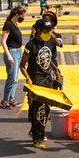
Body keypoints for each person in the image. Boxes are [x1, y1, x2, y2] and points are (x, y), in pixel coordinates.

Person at [20, 18, 59, 149]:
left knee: (46, 109)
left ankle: (36, 130)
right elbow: (22, 66)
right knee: (38, 109)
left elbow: (49, 58)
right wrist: (28, 78)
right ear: (38, 30)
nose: (48, 32)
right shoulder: (30, 45)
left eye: (50, 30)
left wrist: (55, 68)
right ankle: (38, 138)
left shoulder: (49, 42)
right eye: (46, 30)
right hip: (36, 81)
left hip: (48, 79)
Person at [0, 6, 26, 109]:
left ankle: (11, 98)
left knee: (15, 78)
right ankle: (5, 100)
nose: (23, 17)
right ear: (16, 14)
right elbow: (3, 41)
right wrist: (9, 55)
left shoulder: (14, 24)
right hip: (12, 52)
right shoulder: (8, 25)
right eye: (22, 15)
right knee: (11, 78)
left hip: (18, 52)